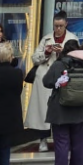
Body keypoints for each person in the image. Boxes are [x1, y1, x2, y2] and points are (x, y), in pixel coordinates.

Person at [41, 44, 83, 165]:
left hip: (61, 110)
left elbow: (47, 82)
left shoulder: (59, 64)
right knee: (81, 144)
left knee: (61, 144)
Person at [27, 12, 76, 147]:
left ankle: (59, 139)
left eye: (61, 26)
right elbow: (35, 58)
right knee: (43, 110)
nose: (58, 29)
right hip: (45, 77)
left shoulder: (72, 38)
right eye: (55, 26)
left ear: (66, 24)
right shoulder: (46, 38)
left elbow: (75, 57)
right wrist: (47, 53)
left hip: (63, 76)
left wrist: (62, 53)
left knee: (61, 109)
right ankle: (43, 139)